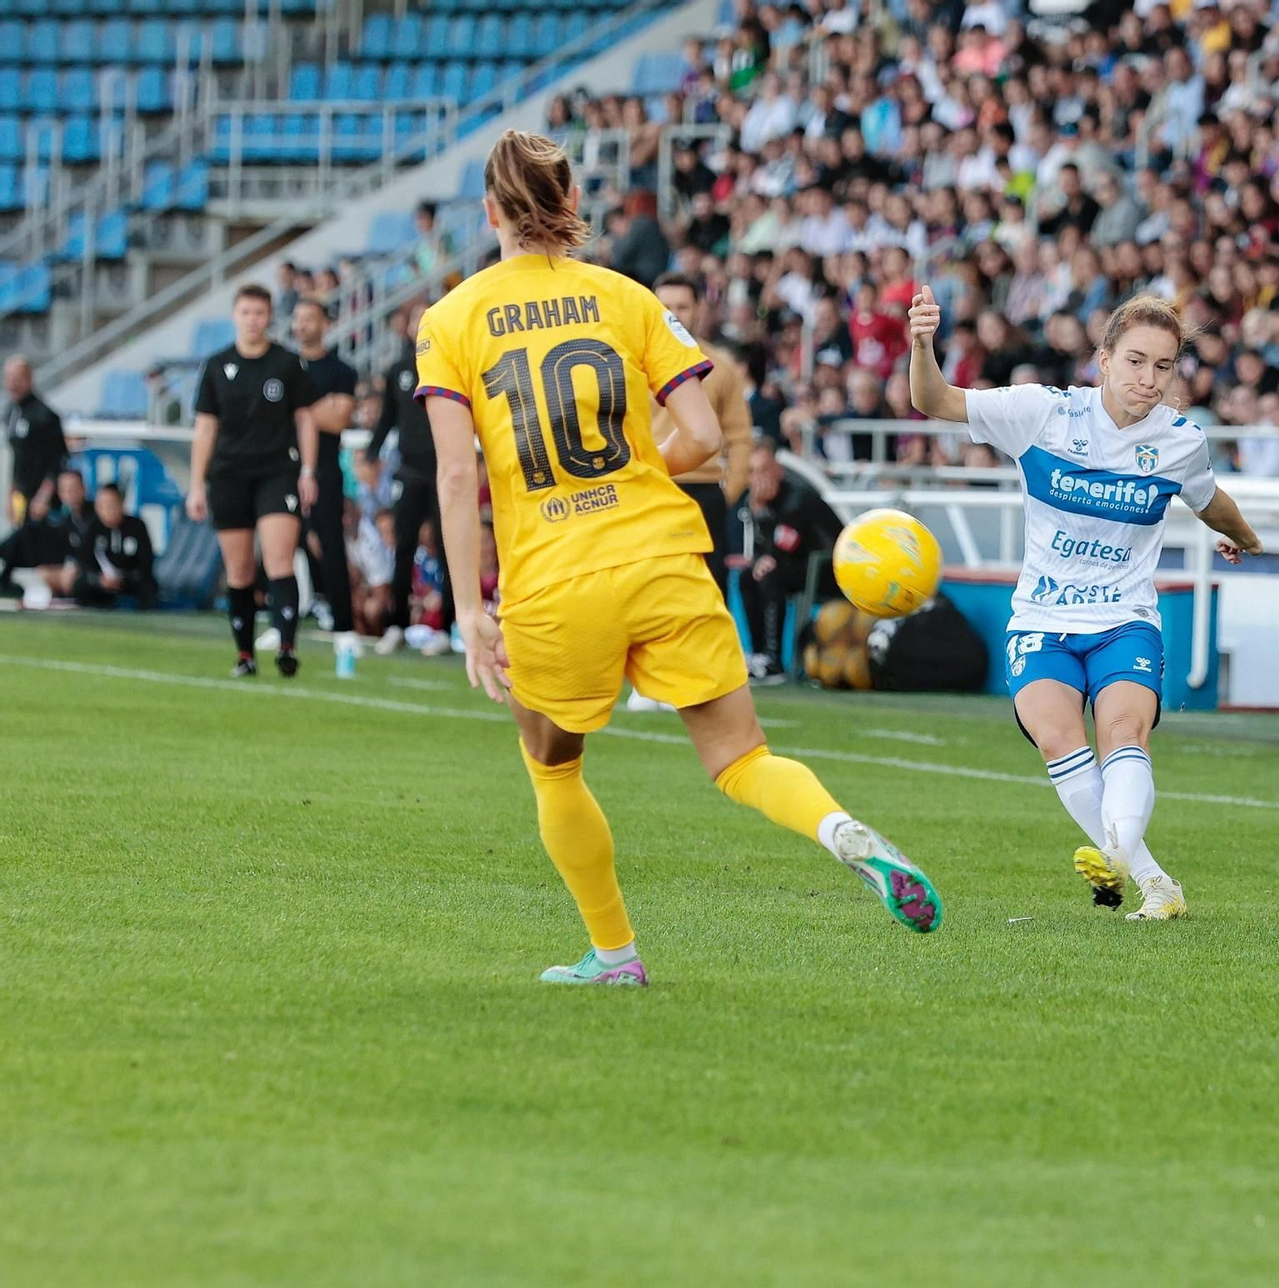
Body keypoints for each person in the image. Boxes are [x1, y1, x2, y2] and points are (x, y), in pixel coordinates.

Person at [417, 130, 941, 986]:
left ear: (490, 213)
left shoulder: (450, 319)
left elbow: (452, 469)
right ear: (571, 206)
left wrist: (472, 613)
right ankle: (840, 830)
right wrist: (627, 473)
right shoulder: (627, 297)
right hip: (663, 553)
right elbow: (702, 435)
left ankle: (616, 954)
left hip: (554, 577)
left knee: (553, 766)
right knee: (741, 757)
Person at [907, 287, 1265, 922]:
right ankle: (1153, 879)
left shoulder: (1181, 441)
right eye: (1134, 361)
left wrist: (1243, 538)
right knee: (1056, 737)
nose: (1148, 379)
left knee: (1123, 733)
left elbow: (1211, 502)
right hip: (1042, 618)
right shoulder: (1042, 413)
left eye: (1162, 366)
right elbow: (933, 400)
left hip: (1125, 620)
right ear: (1103, 360)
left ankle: (1118, 855)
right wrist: (921, 341)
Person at [186, 283, 320, 678]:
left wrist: (308, 471)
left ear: (269, 318)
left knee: (279, 559)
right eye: (246, 313)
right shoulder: (216, 365)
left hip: (277, 470)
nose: (253, 321)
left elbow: (305, 418)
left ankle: (286, 644)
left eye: (260, 313)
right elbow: (205, 428)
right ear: (235, 316)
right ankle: (244, 654)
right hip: (229, 474)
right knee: (240, 570)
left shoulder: (286, 363)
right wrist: (197, 484)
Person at [650, 273, 752, 591]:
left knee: (707, 591)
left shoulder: (721, 367)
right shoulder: (632, 363)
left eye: (683, 306)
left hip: (705, 491)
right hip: (652, 487)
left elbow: (740, 437)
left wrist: (728, 494)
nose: (674, 314)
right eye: (665, 306)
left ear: (698, 309)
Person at [370, 302, 457, 657]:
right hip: (408, 470)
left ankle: (449, 629)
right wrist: (372, 451)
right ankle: (397, 624)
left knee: (448, 547)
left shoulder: (454, 367)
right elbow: (387, 417)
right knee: (402, 547)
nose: (419, 325)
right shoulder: (398, 370)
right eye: (414, 319)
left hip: (445, 471)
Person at [289, 298, 362, 668]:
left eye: (309, 319)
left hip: (326, 469)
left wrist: (295, 407)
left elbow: (337, 420)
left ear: (325, 324)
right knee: (281, 545)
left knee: (331, 545)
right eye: (298, 319)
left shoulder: (340, 370)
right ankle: (284, 618)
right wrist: (315, 409)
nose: (302, 325)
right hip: (282, 466)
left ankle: (345, 627)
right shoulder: (283, 366)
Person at [739, 436, 845, 682]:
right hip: (797, 568)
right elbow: (759, 551)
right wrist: (757, 512)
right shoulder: (757, 502)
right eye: (752, 472)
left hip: (828, 570)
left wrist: (765, 555)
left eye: (763, 469)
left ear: (778, 468)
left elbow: (783, 545)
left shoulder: (798, 496)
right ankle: (758, 655)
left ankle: (774, 661)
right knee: (747, 577)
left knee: (770, 576)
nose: (758, 478)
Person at [0, 466, 88, 597]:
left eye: (74, 488)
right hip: (60, 568)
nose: (69, 493)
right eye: (64, 489)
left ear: (83, 489)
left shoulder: (92, 519)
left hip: (84, 571)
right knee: (26, 533)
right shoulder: (62, 520)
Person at [71, 482, 156, 608]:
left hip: (129, 581)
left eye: (111, 505)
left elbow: (146, 561)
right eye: (102, 506)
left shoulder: (137, 526)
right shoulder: (92, 527)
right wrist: (98, 579)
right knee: (79, 585)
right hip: (101, 582)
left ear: (121, 504)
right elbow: (84, 561)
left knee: (149, 586)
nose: (107, 510)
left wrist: (125, 578)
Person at [4, 355, 67, 523]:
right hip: (21, 495)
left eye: (18, 378)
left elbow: (58, 459)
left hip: (44, 499)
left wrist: (44, 496)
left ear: (29, 378)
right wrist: (11, 493)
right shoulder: (10, 412)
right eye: (8, 378)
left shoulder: (45, 416)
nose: (12, 384)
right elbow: (17, 456)